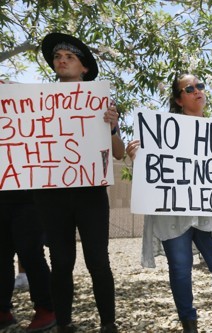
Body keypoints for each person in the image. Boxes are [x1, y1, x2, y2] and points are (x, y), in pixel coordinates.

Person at [127, 73, 212, 333]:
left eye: (200, 85)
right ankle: (189, 323)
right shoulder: (160, 133)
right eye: (190, 88)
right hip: (174, 214)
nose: (198, 90)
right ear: (178, 99)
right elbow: (151, 175)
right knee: (180, 268)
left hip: (208, 211)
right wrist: (137, 159)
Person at [33, 33, 125, 333]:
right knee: (60, 262)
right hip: (52, 195)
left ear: (84, 68)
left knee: (98, 260)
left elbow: (120, 153)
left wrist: (112, 127)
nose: (61, 60)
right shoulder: (38, 103)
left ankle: (108, 323)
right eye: (58, 56)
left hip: (90, 194)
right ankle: (64, 323)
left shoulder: (101, 103)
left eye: (69, 57)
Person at [0, 79, 56, 332]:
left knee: (31, 254)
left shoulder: (30, 108)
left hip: (29, 197)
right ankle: (2, 310)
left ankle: (46, 309)